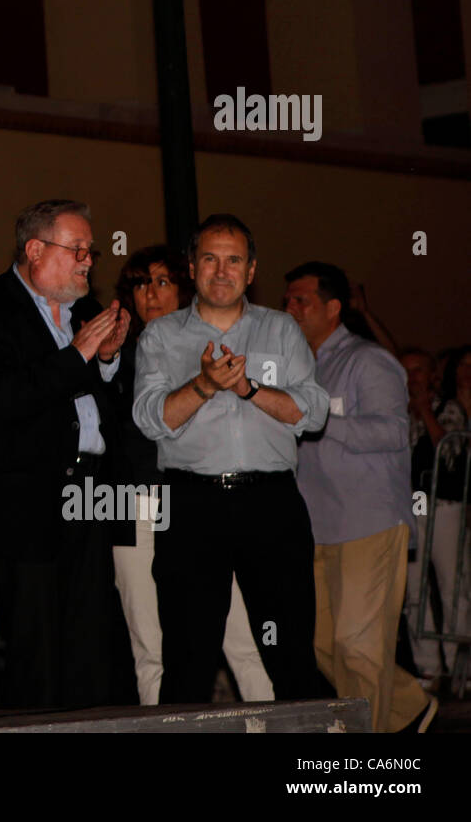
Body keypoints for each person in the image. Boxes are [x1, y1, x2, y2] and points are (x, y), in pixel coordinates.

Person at [132, 214, 328, 704]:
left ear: (251, 269)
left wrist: (246, 388)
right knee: (187, 658)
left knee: (290, 653)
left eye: (234, 260)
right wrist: (204, 385)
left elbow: (313, 411)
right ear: (193, 268)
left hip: (272, 503)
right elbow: (150, 419)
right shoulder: (160, 336)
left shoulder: (281, 329)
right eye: (210, 259)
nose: (222, 271)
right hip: (191, 505)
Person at [0, 199, 136, 709]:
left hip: (91, 497)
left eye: (91, 251)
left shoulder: (88, 314)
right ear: (35, 250)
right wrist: (77, 355)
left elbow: (111, 410)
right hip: (26, 505)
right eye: (76, 248)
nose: (88, 260)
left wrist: (106, 360)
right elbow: (1, 404)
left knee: (92, 644)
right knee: (36, 650)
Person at [110, 245, 273, 705]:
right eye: (141, 284)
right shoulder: (114, 352)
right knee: (150, 643)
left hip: (203, 499)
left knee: (240, 634)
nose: (151, 294)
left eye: (162, 281)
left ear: (184, 288)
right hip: (133, 502)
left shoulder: (215, 345)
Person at [285, 262, 436, 732]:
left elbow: (394, 432)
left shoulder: (367, 361)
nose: (290, 309)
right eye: (287, 299)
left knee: (358, 645)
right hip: (318, 525)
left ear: (334, 308)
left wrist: (320, 421)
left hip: (367, 522)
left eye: (301, 300)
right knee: (323, 644)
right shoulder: (298, 366)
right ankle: (410, 707)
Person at [403, 346, 471, 683]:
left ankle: (460, 667)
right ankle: (428, 667)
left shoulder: (450, 409)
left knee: (452, 585)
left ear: (432, 376)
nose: (411, 378)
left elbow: (450, 449)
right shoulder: (394, 411)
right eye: (406, 371)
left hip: (445, 505)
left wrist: (422, 409)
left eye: (418, 370)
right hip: (414, 503)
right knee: (414, 590)